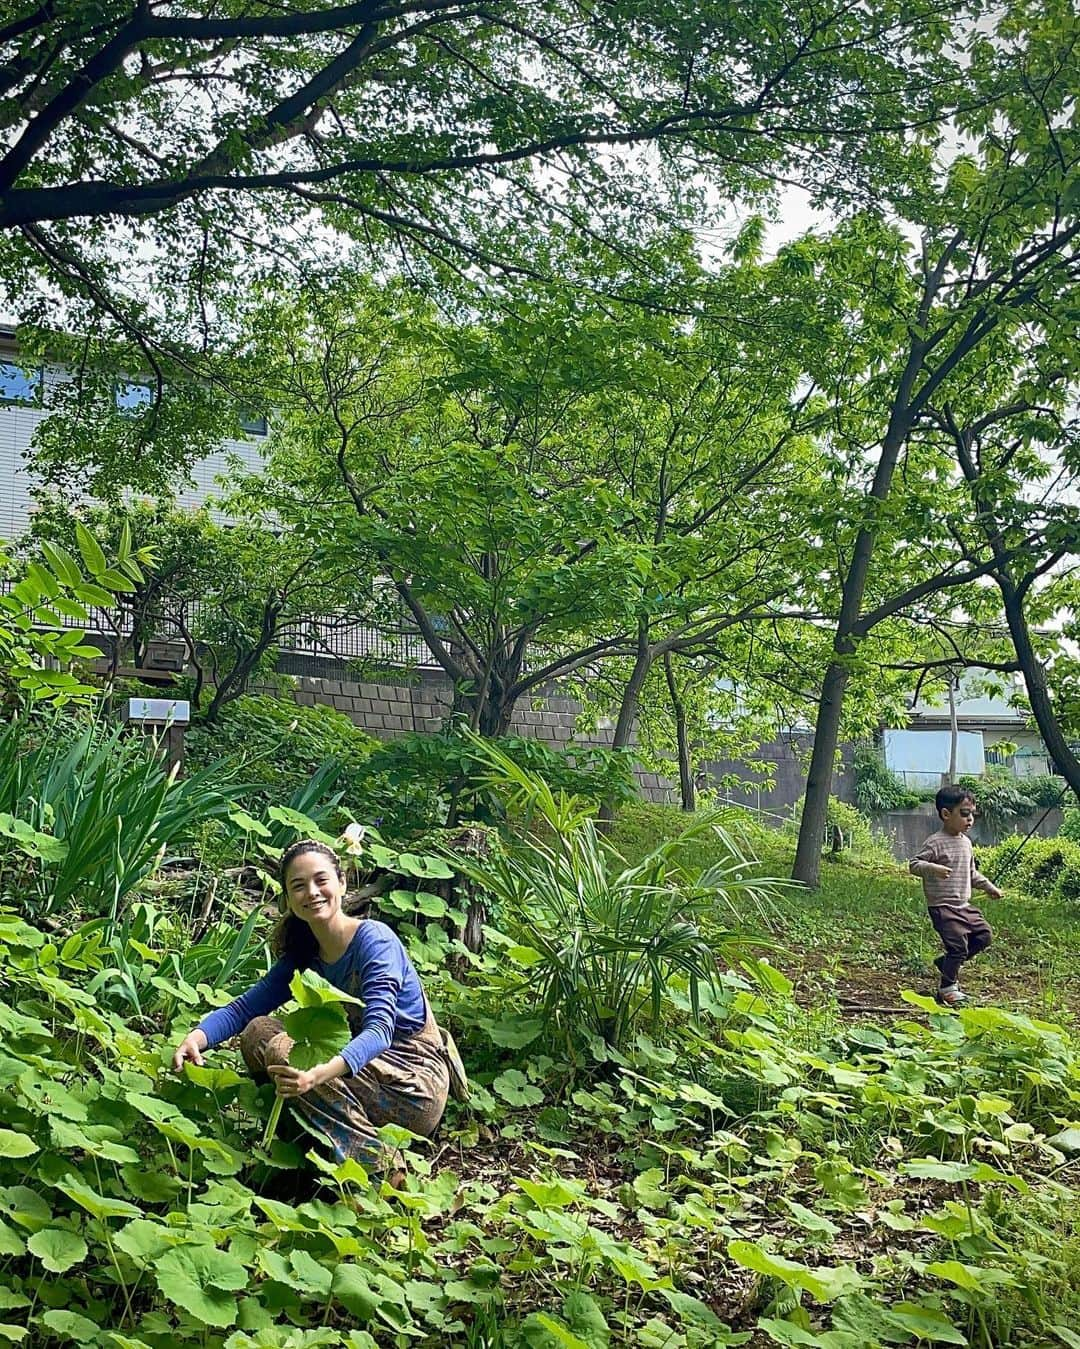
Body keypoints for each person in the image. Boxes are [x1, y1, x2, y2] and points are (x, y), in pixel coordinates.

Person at [172, 838, 451, 1172]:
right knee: (258, 1032)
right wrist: (196, 1038)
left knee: (283, 1052)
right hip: (358, 1074)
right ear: (288, 899)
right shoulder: (306, 952)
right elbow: (245, 1010)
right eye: (299, 886)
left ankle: (380, 1167)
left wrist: (317, 1074)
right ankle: (304, 1147)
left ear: (342, 882)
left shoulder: (374, 940)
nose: (313, 892)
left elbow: (380, 1031)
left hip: (411, 1085)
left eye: (321, 880)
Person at [909, 785, 1002, 1007]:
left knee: (984, 936)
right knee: (958, 946)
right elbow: (914, 864)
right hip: (943, 907)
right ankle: (947, 988)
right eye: (964, 813)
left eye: (972, 814)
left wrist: (989, 887)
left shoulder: (966, 843)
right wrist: (933, 868)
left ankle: (946, 962)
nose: (970, 819)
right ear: (946, 814)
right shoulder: (935, 842)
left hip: (964, 905)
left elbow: (971, 874)